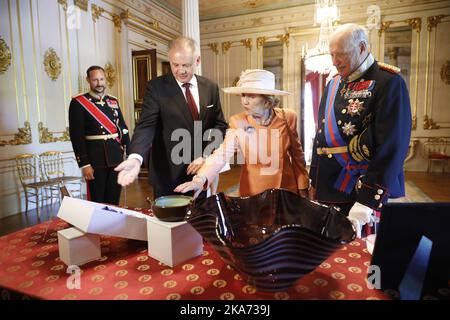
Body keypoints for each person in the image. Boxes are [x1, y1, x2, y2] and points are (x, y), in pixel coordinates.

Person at [309, 23, 412, 236]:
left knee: (364, 253)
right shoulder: (333, 83)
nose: (335, 62)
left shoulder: (388, 81)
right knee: (332, 248)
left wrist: (368, 199)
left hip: (363, 187)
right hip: (330, 185)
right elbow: (321, 138)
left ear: (363, 47)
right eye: (332, 54)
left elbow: (392, 146)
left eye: (342, 54)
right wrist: (314, 182)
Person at [115, 37, 228, 199]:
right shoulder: (156, 88)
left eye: (186, 65)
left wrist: (206, 155)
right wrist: (136, 157)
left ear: (197, 61)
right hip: (168, 175)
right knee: (170, 223)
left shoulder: (210, 87)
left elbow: (219, 125)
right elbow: (146, 126)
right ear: (170, 60)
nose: (180, 70)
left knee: (200, 221)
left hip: (202, 171)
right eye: (176, 65)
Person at [174, 69, 310, 199]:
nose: (245, 101)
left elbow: (297, 155)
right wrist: (200, 178)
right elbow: (222, 154)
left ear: (268, 101)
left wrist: (303, 185)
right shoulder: (238, 122)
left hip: (286, 189)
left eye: (251, 96)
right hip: (254, 192)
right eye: (243, 95)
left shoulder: (288, 117)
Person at [69, 65, 130, 205]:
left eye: (101, 79)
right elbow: (76, 136)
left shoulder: (113, 101)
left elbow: (123, 129)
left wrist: (131, 155)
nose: (99, 83)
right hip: (95, 160)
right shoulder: (79, 103)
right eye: (95, 80)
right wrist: (84, 164)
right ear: (88, 80)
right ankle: (99, 226)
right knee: (97, 200)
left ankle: (113, 224)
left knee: (114, 198)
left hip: (115, 157)